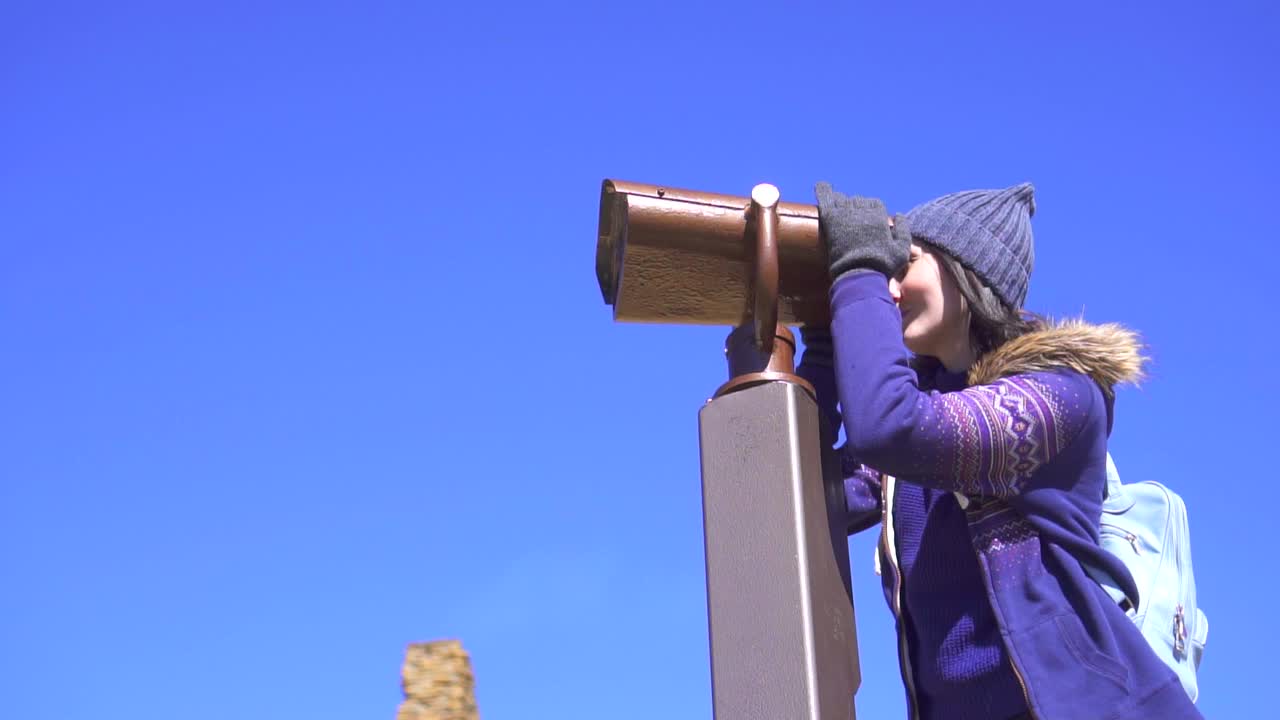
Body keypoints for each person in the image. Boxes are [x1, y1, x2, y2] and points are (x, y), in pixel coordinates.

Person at [796, 182, 1202, 720]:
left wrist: (859, 270)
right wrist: (825, 349)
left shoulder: (1059, 396)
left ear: (969, 275)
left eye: (905, 264)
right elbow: (807, 499)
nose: (889, 288)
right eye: (885, 271)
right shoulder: (919, 432)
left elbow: (890, 426)